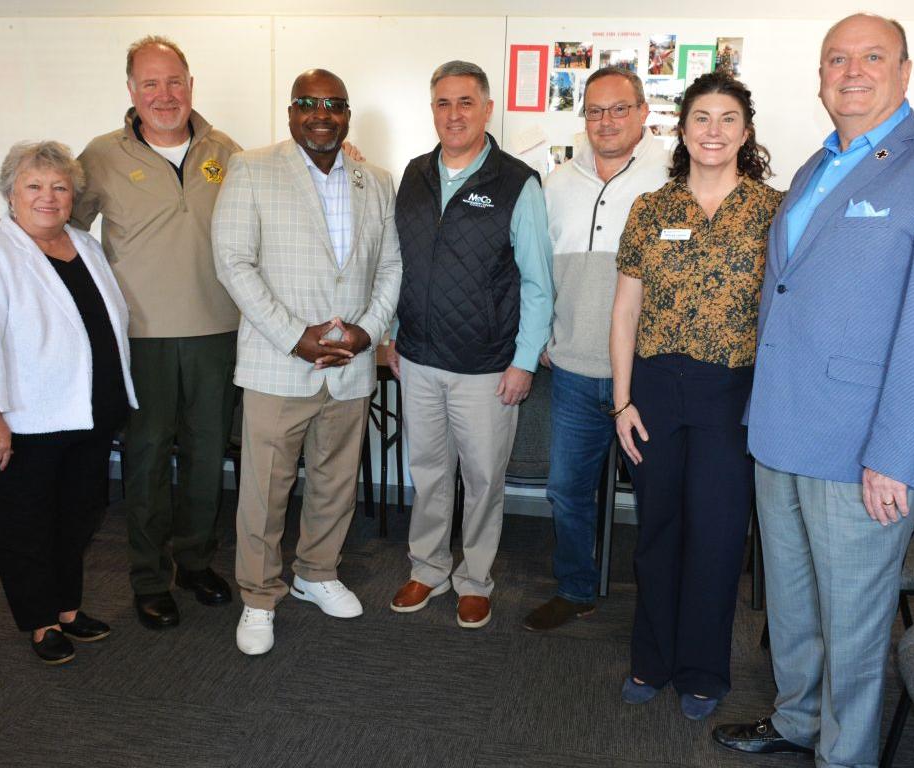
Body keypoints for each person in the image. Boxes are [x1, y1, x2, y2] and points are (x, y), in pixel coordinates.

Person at [713, 14, 914, 766]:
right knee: (796, 607)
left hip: (859, 447)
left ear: (906, 71)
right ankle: (799, 721)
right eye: (835, 59)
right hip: (779, 432)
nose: (851, 71)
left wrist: (897, 456)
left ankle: (845, 755)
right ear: (818, 78)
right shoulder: (815, 168)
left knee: (853, 622)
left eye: (871, 57)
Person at [0, 36, 242, 630]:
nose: (164, 95)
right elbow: (50, 219)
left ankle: (194, 563)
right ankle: (147, 579)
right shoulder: (102, 154)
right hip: (139, 341)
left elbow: (275, 197)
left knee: (207, 457)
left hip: (218, 330)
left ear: (191, 85)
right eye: (150, 83)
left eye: (174, 82)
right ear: (132, 90)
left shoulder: (227, 151)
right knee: (146, 462)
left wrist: (347, 160)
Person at [211, 69, 402, 656]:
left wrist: (369, 332)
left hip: (350, 365)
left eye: (335, 105)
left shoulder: (377, 180)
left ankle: (316, 572)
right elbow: (234, 263)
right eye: (309, 104)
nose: (322, 114)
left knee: (335, 480)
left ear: (347, 114)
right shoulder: (252, 168)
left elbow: (391, 265)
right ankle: (259, 596)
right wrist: (296, 337)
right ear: (291, 111)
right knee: (265, 491)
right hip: (278, 363)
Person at [610, 73, 781, 719]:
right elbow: (625, 311)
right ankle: (650, 660)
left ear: (745, 130)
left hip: (730, 391)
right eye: (701, 117)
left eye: (727, 118)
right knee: (656, 531)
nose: (713, 130)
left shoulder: (774, 209)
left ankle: (704, 668)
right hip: (653, 387)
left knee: (715, 535)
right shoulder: (651, 209)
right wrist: (622, 402)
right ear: (681, 130)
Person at [0, 141, 138, 664]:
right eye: (34, 186)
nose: (48, 197)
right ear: (10, 194)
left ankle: (69, 609)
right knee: (25, 524)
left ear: (73, 196)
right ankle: (40, 621)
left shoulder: (83, 244)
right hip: (23, 420)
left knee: (78, 514)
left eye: (59, 187)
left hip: (86, 413)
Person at [386, 60, 554, 629]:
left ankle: (475, 578)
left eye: (465, 102)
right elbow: (394, 265)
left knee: (483, 478)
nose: (453, 114)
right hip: (419, 359)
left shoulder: (516, 183)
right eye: (442, 103)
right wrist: (391, 336)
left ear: (486, 108)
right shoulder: (412, 175)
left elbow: (538, 282)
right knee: (429, 471)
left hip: (486, 367)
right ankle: (428, 568)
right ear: (432, 110)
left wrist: (524, 362)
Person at [522, 67, 670, 633]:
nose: (606, 121)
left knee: (660, 496)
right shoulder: (555, 184)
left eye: (619, 109)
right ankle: (576, 588)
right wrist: (540, 342)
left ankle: (659, 604)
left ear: (642, 113)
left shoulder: (672, 180)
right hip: (577, 372)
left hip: (650, 374)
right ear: (583, 116)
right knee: (566, 490)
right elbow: (534, 273)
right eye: (595, 111)